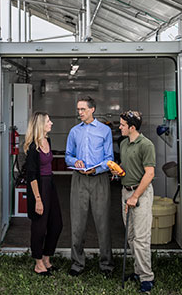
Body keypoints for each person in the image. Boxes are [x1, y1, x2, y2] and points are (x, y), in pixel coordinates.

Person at [65, 96, 114, 277]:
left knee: (103, 223)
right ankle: (77, 264)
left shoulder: (105, 131)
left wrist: (96, 169)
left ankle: (107, 265)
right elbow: (68, 155)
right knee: (77, 223)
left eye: (83, 109)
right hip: (79, 179)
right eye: (78, 110)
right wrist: (74, 161)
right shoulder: (74, 132)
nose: (80, 113)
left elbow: (109, 158)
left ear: (92, 109)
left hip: (99, 179)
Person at [112, 110, 155, 293]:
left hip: (140, 195)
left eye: (122, 125)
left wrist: (135, 196)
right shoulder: (123, 144)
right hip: (125, 193)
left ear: (131, 127)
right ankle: (138, 271)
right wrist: (118, 171)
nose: (119, 127)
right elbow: (126, 166)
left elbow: (150, 173)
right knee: (131, 236)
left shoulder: (146, 145)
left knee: (141, 238)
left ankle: (147, 278)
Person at [24, 111, 63, 276]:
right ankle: (38, 263)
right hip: (38, 188)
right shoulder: (33, 147)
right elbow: (31, 176)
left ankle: (47, 258)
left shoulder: (47, 140)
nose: (51, 123)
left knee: (56, 224)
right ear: (40, 124)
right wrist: (38, 200)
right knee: (39, 227)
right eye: (48, 121)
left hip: (50, 184)